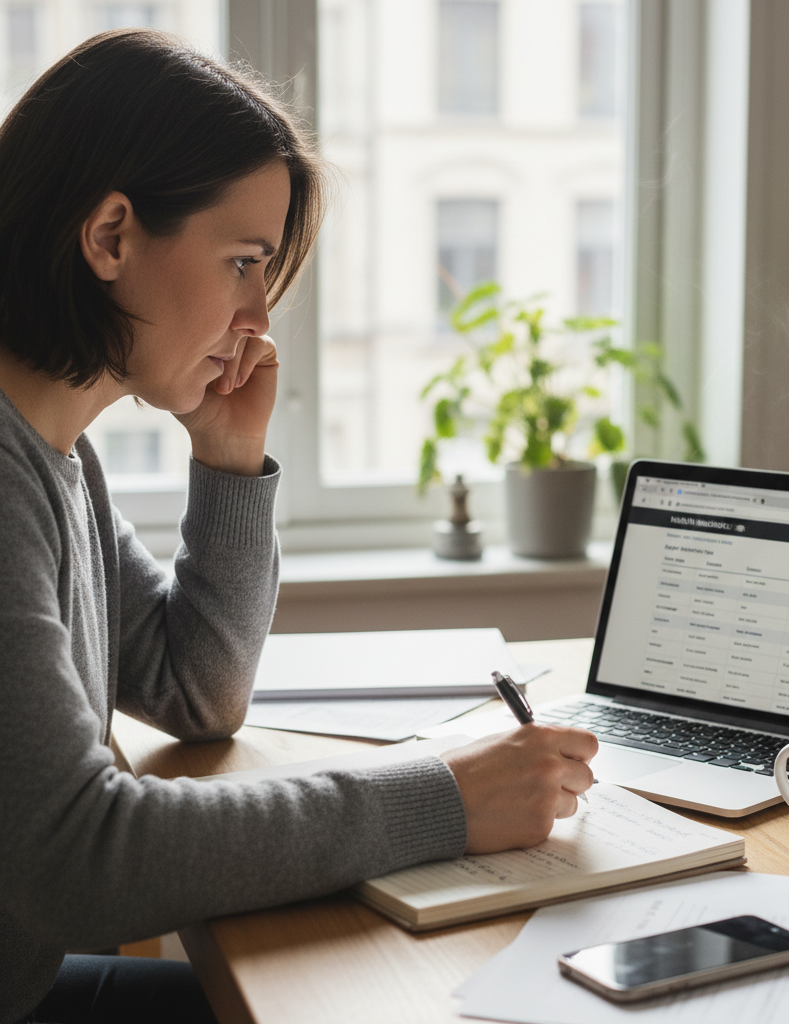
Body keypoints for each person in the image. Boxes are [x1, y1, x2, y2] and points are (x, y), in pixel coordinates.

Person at [0, 29, 598, 1024]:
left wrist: (230, 463)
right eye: (241, 262)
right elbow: (79, 860)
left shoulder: (59, 458)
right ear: (110, 236)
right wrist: (444, 797)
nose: (257, 320)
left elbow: (199, 691)